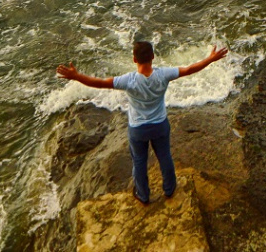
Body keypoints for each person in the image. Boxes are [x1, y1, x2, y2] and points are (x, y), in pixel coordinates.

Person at [56, 41, 229, 204]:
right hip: (160, 125)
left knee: (139, 162)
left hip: (138, 129)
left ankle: (143, 195)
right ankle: (169, 190)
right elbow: (190, 69)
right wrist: (210, 59)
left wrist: (76, 76)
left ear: (134, 59)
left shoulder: (128, 80)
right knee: (165, 157)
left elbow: (100, 83)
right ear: (153, 56)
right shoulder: (163, 75)